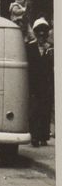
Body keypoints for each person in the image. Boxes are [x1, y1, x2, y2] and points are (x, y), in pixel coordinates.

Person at [27, 18, 55, 147]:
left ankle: (43, 136)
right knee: (34, 110)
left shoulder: (51, 49)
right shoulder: (29, 47)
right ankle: (34, 136)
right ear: (35, 33)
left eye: (44, 32)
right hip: (33, 85)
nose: (42, 35)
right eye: (39, 32)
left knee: (45, 110)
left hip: (46, 85)